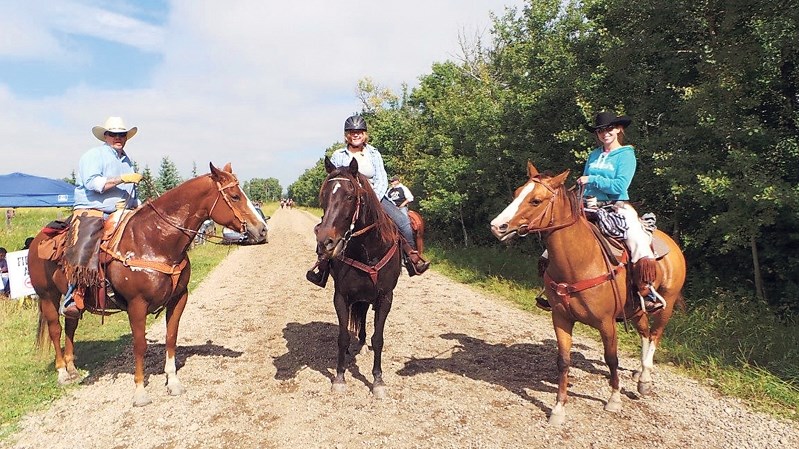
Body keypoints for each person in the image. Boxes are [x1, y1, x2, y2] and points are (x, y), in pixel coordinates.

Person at [537, 111, 664, 313]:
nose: (605, 133)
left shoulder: (626, 155)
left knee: (636, 238)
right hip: (588, 204)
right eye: (600, 130)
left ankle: (646, 289)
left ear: (619, 129)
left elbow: (620, 185)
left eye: (609, 129)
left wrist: (591, 180)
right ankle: (553, 288)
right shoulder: (594, 155)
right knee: (558, 238)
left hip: (616, 205)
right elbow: (585, 182)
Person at [306, 115, 429, 287]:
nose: (356, 135)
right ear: (347, 135)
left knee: (403, 222)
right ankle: (322, 267)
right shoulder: (338, 155)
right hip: (345, 200)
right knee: (324, 230)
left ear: (364, 134)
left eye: (359, 132)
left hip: (375, 199)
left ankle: (411, 260)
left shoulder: (373, 153)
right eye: (352, 132)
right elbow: (332, 181)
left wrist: (374, 201)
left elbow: (381, 178)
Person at [60, 116, 143, 318]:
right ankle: (72, 296)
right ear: (105, 136)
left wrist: (141, 206)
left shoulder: (126, 159)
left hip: (122, 210)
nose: (118, 138)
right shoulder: (94, 155)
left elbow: (131, 190)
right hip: (92, 208)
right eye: (114, 134)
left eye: (122, 134)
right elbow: (93, 184)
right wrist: (121, 178)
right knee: (84, 244)